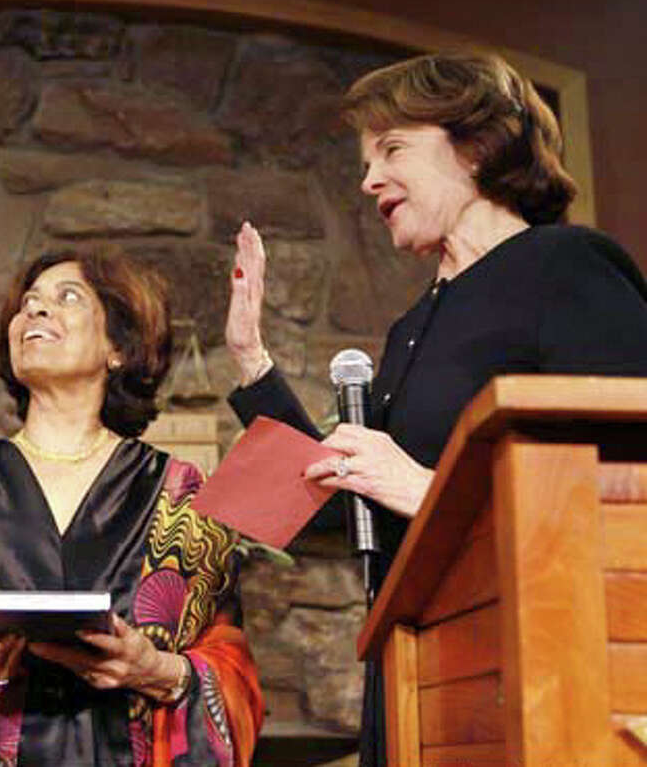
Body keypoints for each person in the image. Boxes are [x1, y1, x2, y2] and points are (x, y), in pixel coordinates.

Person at [224, 50, 647, 766]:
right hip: (418, 673)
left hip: (536, 668)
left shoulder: (567, 265)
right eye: (366, 159)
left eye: (392, 149)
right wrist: (250, 360)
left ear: (478, 147)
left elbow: (626, 493)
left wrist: (424, 489)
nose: (367, 180)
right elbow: (335, 506)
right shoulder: (412, 325)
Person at [0, 250, 265, 766]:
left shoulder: (183, 496)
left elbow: (231, 670)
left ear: (119, 346)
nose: (36, 312)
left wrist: (155, 671)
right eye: (28, 304)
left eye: (65, 298)